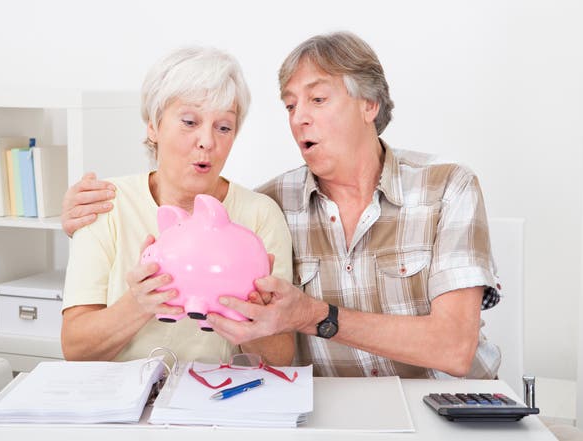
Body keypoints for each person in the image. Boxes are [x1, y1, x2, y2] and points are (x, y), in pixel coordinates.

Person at [62, 32, 501, 379]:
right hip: (328, 410)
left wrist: (311, 316)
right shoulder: (272, 204)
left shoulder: (447, 188)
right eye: (290, 105)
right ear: (153, 124)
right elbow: (75, 346)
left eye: (317, 99)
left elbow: (455, 349)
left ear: (370, 104)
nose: (298, 117)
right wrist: (71, 223)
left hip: (447, 405)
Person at [61, 46, 294, 366]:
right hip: (121, 405)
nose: (208, 142)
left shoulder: (258, 215)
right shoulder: (105, 204)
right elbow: (75, 349)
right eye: (189, 121)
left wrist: (257, 319)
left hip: (215, 399)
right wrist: (138, 304)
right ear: (153, 126)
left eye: (223, 127)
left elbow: (281, 358)